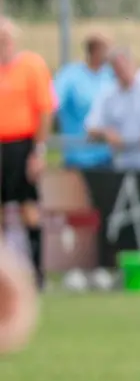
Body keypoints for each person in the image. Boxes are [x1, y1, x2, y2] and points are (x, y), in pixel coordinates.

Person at [0, 17, 55, 287]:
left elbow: (44, 110)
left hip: (21, 146)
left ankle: (37, 273)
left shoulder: (31, 66)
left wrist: (38, 151)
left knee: (28, 208)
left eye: (4, 40)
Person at [85, 48, 140, 172]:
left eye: (124, 66)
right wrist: (106, 133)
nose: (122, 71)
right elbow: (91, 126)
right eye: (117, 68)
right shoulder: (108, 94)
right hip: (124, 166)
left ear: (133, 64)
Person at [53, 33, 116, 169]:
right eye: (107, 50)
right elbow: (53, 101)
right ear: (94, 50)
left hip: (107, 157)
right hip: (77, 158)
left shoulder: (111, 75)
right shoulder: (70, 75)